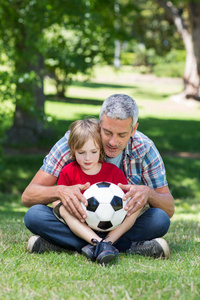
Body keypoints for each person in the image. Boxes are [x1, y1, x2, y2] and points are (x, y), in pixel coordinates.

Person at [22, 94, 174, 259]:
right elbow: (28, 196)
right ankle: (124, 247)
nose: (113, 142)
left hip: (119, 226)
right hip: (77, 222)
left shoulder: (145, 149)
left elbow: (169, 208)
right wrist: (60, 191)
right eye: (107, 132)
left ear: (133, 130)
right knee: (35, 215)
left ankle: (65, 245)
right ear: (100, 124)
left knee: (160, 219)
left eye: (121, 135)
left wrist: (148, 193)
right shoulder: (75, 141)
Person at [52, 118, 143, 264]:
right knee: (36, 215)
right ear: (73, 150)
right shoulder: (68, 172)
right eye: (81, 152)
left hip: (112, 229)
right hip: (80, 227)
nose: (87, 158)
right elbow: (57, 202)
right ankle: (103, 245)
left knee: (147, 212)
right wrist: (64, 206)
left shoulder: (114, 173)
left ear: (100, 149)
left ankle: (103, 244)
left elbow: (126, 203)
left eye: (93, 152)